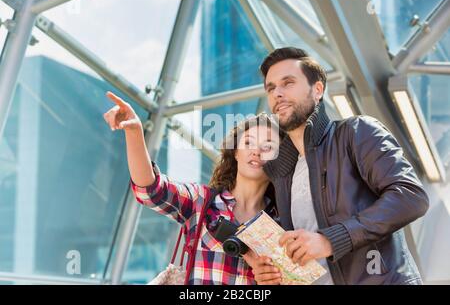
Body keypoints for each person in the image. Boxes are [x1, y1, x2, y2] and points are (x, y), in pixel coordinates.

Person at [243, 47, 429, 285]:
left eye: (288, 83)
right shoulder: (280, 172)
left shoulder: (357, 132)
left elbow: (411, 196)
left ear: (317, 89)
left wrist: (331, 240)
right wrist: (272, 273)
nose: (277, 93)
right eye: (271, 88)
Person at [103, 91, 281, 285]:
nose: (256, 151)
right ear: (236, 152)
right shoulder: (201, 201)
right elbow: (151, 190)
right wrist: (135, 132)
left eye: (268, 147)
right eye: (249, 142)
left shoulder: (282, 224)